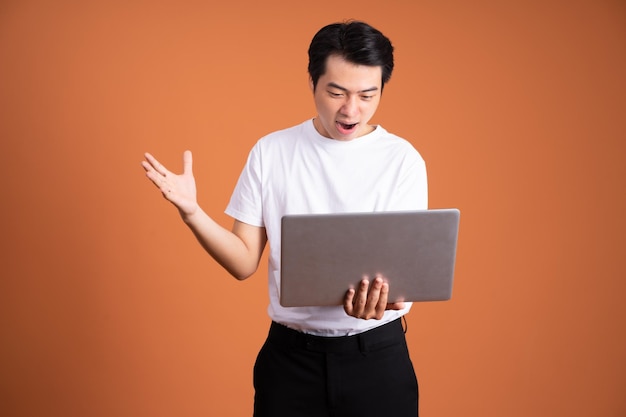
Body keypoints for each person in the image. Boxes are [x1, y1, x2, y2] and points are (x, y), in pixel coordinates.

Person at [142, 20, 427, 417]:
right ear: (313, 82)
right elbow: (243, 262)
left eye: (367, 95)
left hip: (376, 359)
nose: (351, 110)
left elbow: (404, 279)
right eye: (336, 92)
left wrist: (389, 299)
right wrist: (192, 211)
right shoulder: (271, 151)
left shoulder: (403, 160)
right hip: (292, 363)